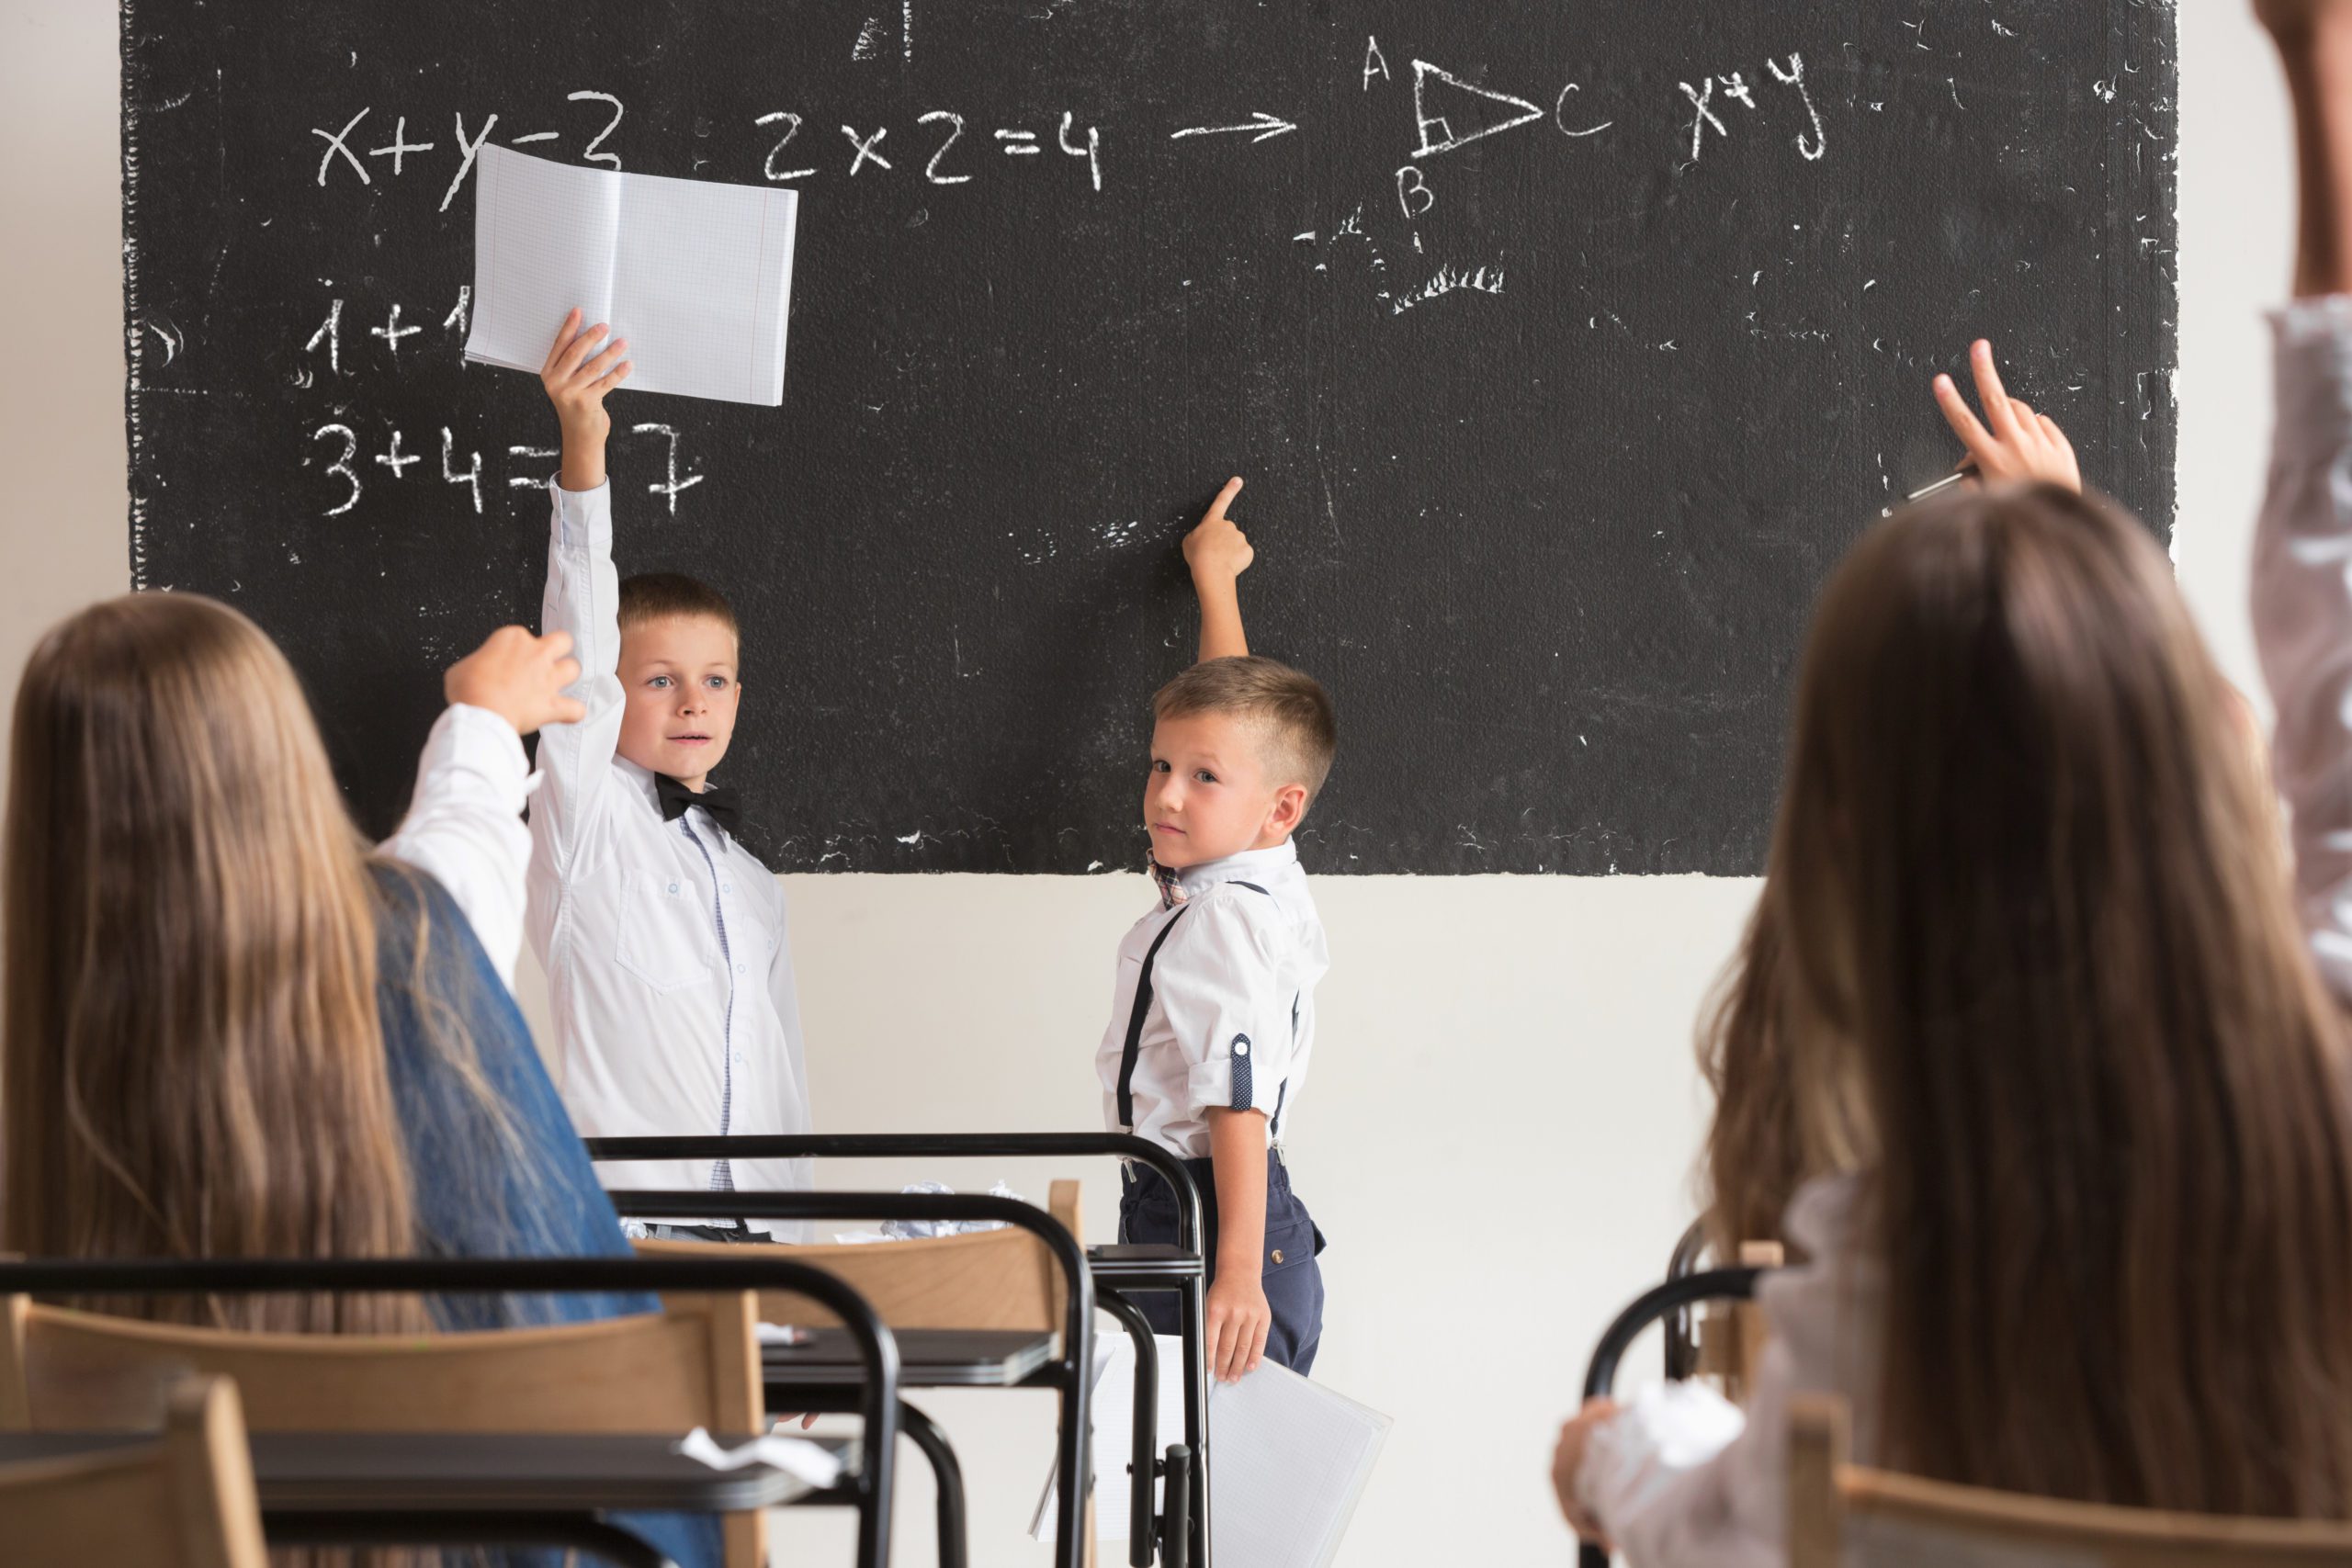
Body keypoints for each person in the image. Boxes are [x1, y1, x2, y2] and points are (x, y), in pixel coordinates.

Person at [1552, 327, 2352, 1557]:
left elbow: (1722, 1527)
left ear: (1840, 840)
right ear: (2193, 792)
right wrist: (2076, 574)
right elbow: (2310, 713)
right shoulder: (2317, 1158)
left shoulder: (1877, 1269)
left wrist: (1614, 1453)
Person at [0, 593, 718, 1566]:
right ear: (281, 763)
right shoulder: (414, 945)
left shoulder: (44, 1049)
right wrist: (482, 716)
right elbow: (462, 843)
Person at [526, 310, 810, 1230]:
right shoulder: (587, 825)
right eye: (658, 679)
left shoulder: (749, 879)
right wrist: (584, 446)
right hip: (632, 1235)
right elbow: (577, 620)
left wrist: (801, 1238)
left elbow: (778, 1079)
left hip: (761, 1240)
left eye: (715, 680)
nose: (694, 702)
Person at [1100, 478, 1338, 1381]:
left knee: (1205, 1505)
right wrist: (1216, 583)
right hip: (1217, 1218)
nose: (1165, 792)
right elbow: (1236, 725)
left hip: (1209, 1224)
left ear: (1277, 809)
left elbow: (1234, 1102)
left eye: (1198, 780)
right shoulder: (1260, 862)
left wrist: (1232, 1274)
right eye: (1160, 764)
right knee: (1198, 1502)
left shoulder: (1220, 921)